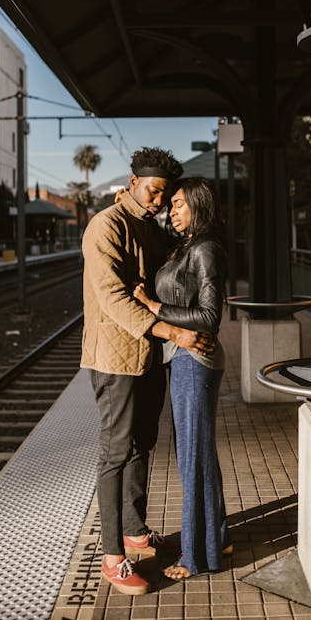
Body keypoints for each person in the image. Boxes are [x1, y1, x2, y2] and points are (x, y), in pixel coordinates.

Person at [81, 148, 215, 596]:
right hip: (115, 357)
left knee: (142, 445)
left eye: (164, 194)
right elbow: (112, 296)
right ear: (133, 180)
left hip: (148, 357)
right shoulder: (106, 225)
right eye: (153, 190)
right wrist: (172, 332)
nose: (158, 200)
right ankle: (113, 555)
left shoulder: (149, 227)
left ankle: (136, 531)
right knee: (116, 452)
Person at [133, 177, 231, 579]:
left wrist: (153, 305)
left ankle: (195, 557)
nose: (170, 211)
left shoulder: (205, 248)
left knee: (191, 458)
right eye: (169, 204)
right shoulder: (186, 245)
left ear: (198, 204)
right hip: (185, 359)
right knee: (200, 453)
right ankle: (216, 538)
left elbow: (210, 317)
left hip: (194, 360)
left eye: (178, 204)